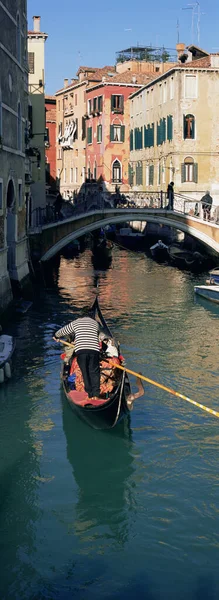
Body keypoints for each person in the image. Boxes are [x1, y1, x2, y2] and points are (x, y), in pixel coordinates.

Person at [54, 309, 101, 400]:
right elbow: (98, 334)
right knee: (94, 372)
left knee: (85, 372)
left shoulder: (76, 322)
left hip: (81, 351)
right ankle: (96, 395)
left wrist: (56, 335)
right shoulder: (96, 323)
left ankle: (90, 395)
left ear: (80, 316)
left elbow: (63, 331)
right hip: (94, 351)